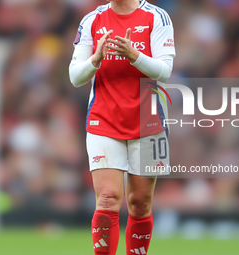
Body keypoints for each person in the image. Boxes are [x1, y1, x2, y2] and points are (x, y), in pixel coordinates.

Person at [69, 0, 175, 254]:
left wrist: (134, 56)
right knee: (107, 198)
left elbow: (165, 71)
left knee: (140, 202)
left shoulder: (157, 17)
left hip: (148, 120)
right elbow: (75, 76)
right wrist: (95, 59)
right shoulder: (92, 20)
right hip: (103, 119)